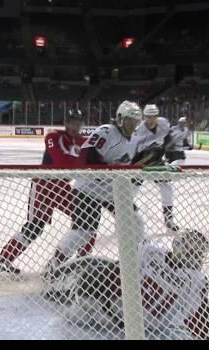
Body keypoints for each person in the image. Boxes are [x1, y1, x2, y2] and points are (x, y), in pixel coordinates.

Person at [45, 230, 209, 339]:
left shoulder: (149, 251)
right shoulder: (196, 280)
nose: (197, 259)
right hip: (153, 331)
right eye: (197, 254)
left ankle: (56, 290)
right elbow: (191, 316)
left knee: (96, 269)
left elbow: (116, 269)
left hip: (106, 315)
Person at [44, 100, 145, 280]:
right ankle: (54, 266)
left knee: (135, 222)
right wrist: (112, 170)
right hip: (88, 188)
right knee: (83, 232)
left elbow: (134, 165)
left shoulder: (135, 139)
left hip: (111, 189)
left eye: (136, 122)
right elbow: (85, 159)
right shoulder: (107, 132)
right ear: (121, 118)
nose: (133, 125)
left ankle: (138, 264)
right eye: (130, 120)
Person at [0, 109, 91, 275]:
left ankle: (82, 264)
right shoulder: (53, 137)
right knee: (35, 227)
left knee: (87, 221)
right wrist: (81, 158)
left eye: (79, 122)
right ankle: (4, 261)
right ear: (66, 123)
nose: (76, 126)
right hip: (43, 185)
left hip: (62, 186)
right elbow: (60, 161)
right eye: (73, 122)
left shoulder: (83, 141)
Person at [132, 104, 179, 231]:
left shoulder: (163, 123)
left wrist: (163, 150)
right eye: (148, 117)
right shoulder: (139, 130)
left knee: (167, 188)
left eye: (154, 116)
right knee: (132, 190)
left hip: (157, 160)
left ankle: (169, 220)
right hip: (141, 160)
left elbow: (168, 138)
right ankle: (125, 217)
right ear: (144, 117)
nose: (151, 119)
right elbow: (133, 149)